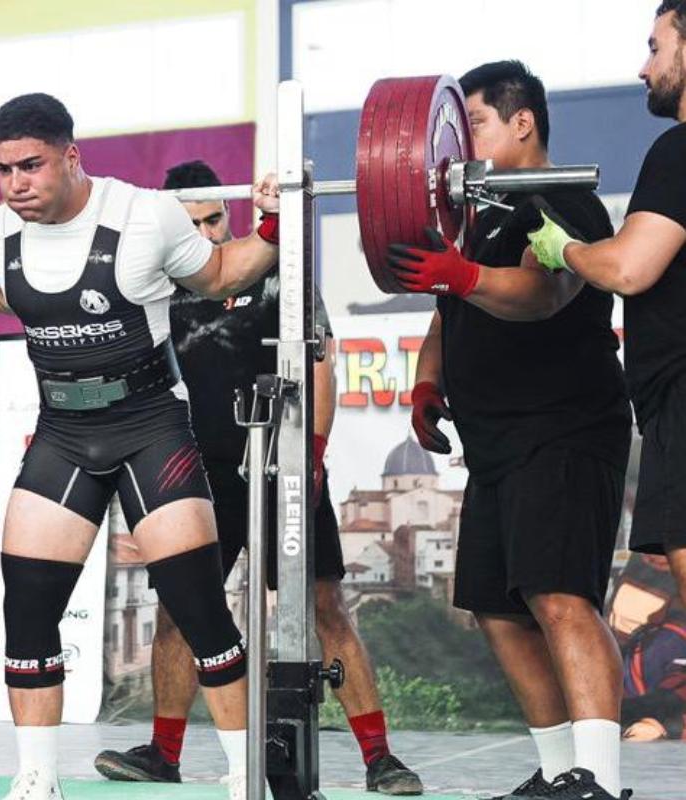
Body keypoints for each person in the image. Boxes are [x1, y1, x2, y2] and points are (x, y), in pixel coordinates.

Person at [0, 93, 282, 800]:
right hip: (64, 434)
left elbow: (224, 273)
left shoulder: (144, 215)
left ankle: (243, 777)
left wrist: (276, 220)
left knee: (198, 608)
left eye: (31, 166)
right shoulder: (0, 226)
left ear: (71, 156)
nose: (16, 183)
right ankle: (37, 778)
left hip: (149, 426)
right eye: (3, 169)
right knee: (29, 608)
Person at [90, 160, 422, 795]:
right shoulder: (155, 283)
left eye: (215, 219)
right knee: (177, 612)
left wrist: (312, 455)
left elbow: (321, 361)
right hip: (199, 469)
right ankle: (164, 752)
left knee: (324, 608)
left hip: (283, 461)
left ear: (230, 213)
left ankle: (380, 758)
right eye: (191, 224)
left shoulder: (276, 269)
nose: (208, 236)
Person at [389, 62, 632, 800]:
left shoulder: (564, 201)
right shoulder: (478, 211)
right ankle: (560, 772)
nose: (460, 146)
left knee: (561, 597)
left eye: (479, 126)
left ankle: (597, 780)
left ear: (520, 122)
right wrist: (428, 381)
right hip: (494, 441)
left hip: (563, 428)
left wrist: (461, 276)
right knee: (496, 608)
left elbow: (544, 293)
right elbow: (445, 310)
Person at [527, 0, 686, 625]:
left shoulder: (678, 149)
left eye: (656, 46)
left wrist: (561, 248)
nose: (643, 68)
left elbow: (627, 267)